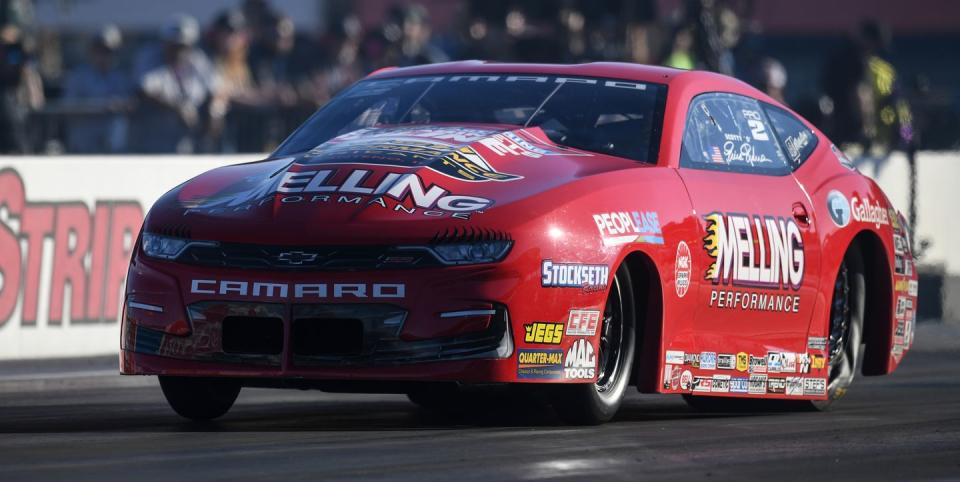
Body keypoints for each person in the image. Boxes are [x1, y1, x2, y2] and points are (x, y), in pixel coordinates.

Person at [130, 15, 219, 153]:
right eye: (174, 45)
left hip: (189, 141)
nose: (179, 51)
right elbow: (143, 90)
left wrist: (212, 112)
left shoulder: (197, 60)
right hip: (154, 138)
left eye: (183, 46)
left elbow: (213, 88)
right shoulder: (151, 58)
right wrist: (177, 108)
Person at [62, 24, 131, 153]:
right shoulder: (78, 76)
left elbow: (129, 103)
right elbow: (68, 106)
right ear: (92, 49)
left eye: (109, 51)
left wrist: (120, 105)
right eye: (100, 49)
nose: (104, 55)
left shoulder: (121, 77)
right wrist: (99, 106)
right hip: (84, 145)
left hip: (114, 147)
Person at [0, 23, 42, 153]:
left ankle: (23, 150)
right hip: (6, 93)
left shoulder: (18, 51)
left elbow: (28, 72)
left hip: (17, 94)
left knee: (19, 127)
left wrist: (34, 95)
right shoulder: (6, 50)